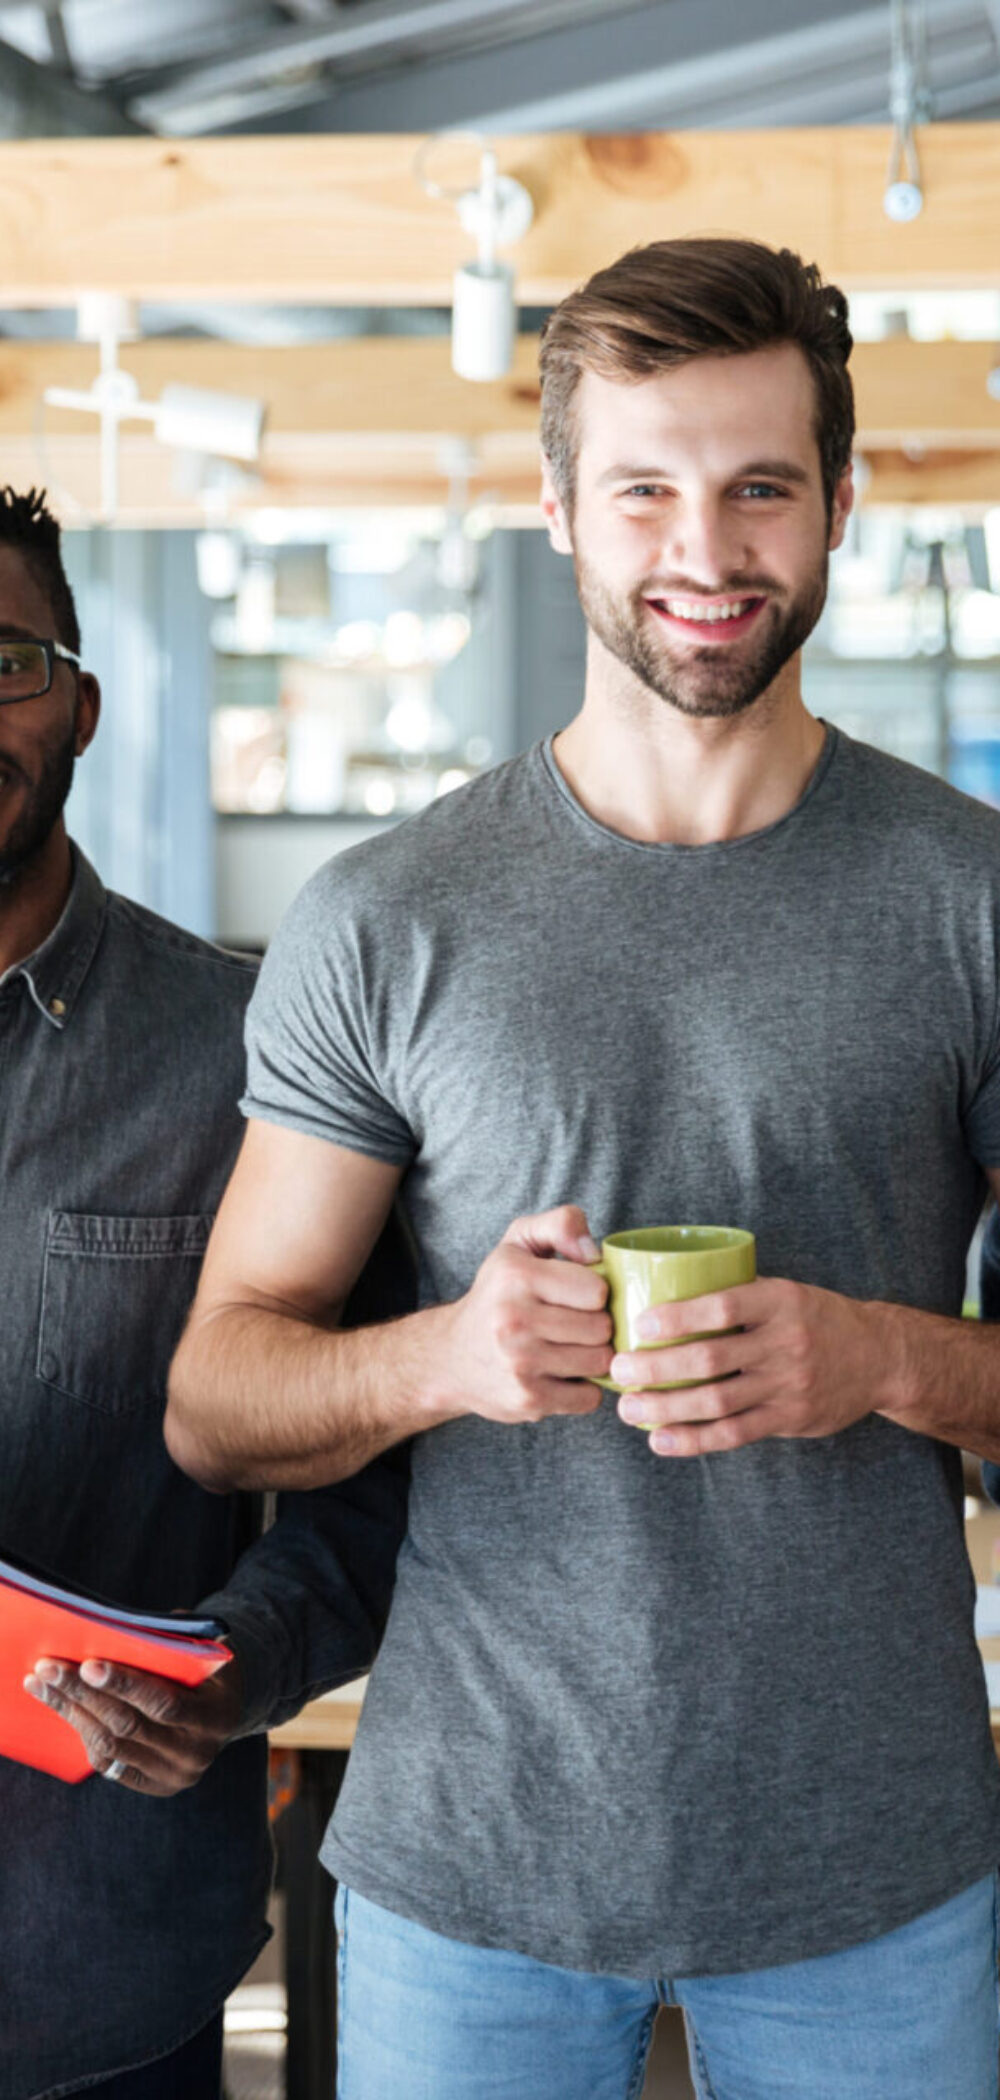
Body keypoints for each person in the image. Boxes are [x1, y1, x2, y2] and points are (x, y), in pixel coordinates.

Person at [166, 240, 1000, 2099]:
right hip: (470, 1882)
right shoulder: (386, 919)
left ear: (844, 503)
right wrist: (444, 1360)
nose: (704, 552)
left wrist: (878, 1362)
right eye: (644, 490)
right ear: (558, 510)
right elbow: (220, 1395)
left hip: (879, 1880)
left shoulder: (973, 902)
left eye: (761, 487)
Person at [0, 487, 410, 2100]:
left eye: (7, 662)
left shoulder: (246, 1057)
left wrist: (236, 1666)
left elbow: (371, 1490)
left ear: (84, 706)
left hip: (94, 1956)